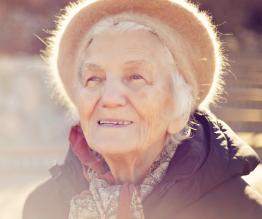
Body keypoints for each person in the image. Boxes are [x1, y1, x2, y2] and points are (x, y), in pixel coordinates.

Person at [23, 0, 262, 218]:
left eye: (136, 77)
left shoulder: (239, 211)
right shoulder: (43, 207)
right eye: (94, 78)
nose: (110, 98)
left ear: (179, 109)